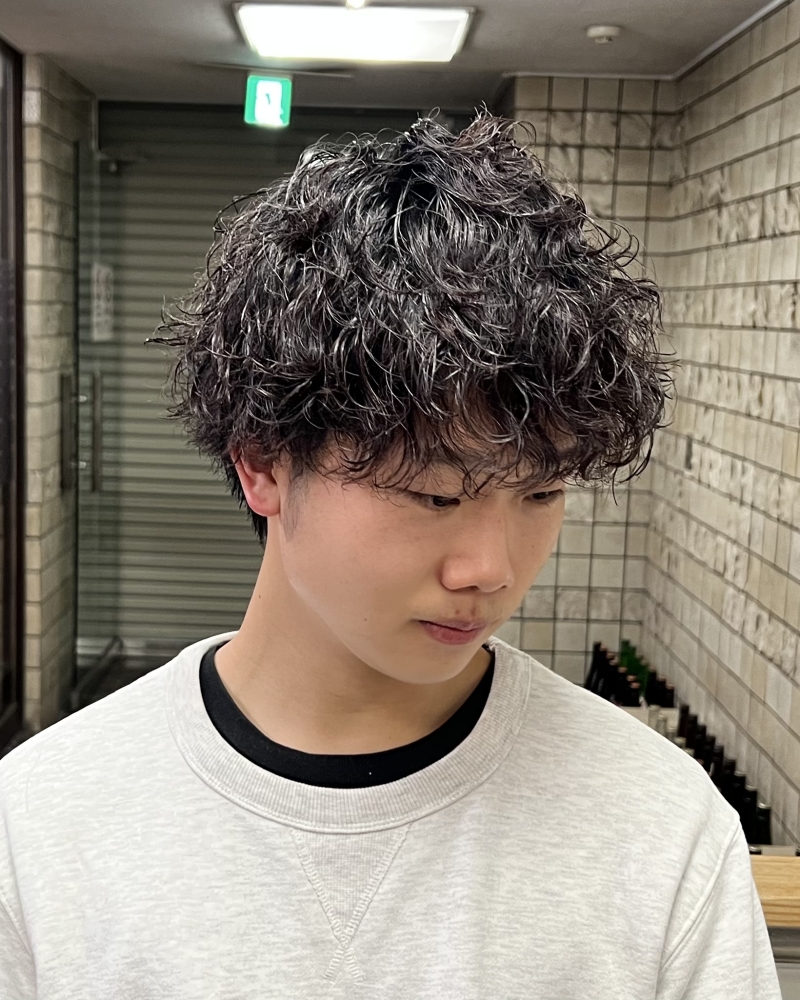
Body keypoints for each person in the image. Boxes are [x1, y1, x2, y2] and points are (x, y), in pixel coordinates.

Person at [0, 109, 781, 999]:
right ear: (263, 464)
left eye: (540, 493)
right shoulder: (43, 825)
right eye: (435, 495)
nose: (491, 569)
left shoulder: (660, 828)